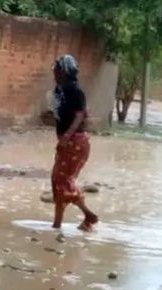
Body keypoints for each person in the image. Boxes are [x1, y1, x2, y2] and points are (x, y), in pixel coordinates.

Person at [51, 55, 98, 232]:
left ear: (64, 71)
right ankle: (57, 224)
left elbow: (80, 115)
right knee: (56, 181)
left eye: (57, 69)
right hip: (67, 141)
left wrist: (66, 136)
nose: (54, 73)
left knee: (63, 181)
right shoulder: (59, 90)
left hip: (75, 141)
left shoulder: (75, 92)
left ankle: (88, 214)